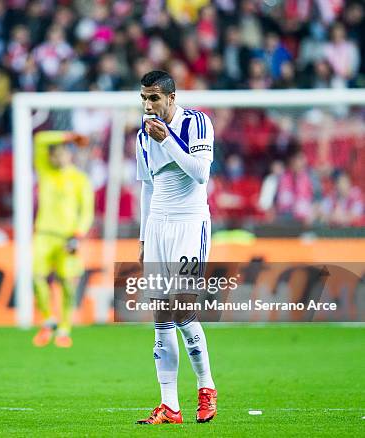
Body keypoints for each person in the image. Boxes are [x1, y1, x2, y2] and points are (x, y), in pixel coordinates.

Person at [135, 71, 217, 424]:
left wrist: (166, 139)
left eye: (154, 98)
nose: (149, 105)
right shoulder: (141, 134)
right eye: (144, 98)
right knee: (160, 316)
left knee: (182, 309)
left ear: (171, 97)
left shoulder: (197, 123)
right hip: (157, 225)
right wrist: (142, 237)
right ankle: (169, 405)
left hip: (189, 224)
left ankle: (206, 387)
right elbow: (147, 186)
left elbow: (200, 173)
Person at [31, 131, 93, 348]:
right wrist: (67, 137)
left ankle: (65, 328)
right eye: (54, 154)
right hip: (43, 234)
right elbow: (40, 140)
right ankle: (48, 320)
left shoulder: (80, 179)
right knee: (36, 278)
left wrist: (78, 235)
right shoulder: (45, 171)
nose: (57, 158)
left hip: (68, 238)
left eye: (62, 153)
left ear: (69, 156)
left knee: (67, 284)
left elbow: (86, 212)